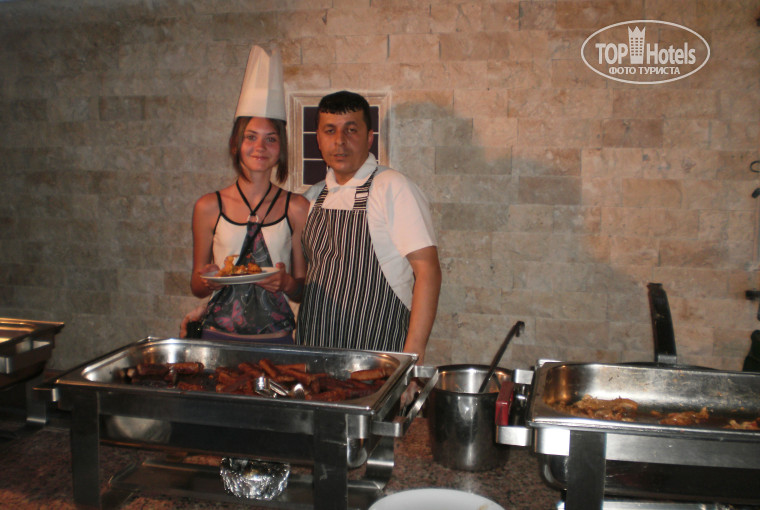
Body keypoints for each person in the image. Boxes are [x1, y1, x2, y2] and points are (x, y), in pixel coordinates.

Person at [296, 90, 441, 365]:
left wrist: (412, 357)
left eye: (351, 130)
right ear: (319, 139)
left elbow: (428, 271)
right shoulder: (312, 198)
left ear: (369, 138)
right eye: (330, 130)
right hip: (314, 353)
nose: (340, 141)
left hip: (377, 357)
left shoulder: (392, 187)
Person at [181, 46, 308, 341]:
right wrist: (209, 280)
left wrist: (286, 282)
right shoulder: (208, 206)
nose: (260, 147)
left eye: (270, 139)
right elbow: (196, 286)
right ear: (236, 143)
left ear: (281, 148)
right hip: (217, 335)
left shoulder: (297, 207)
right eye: (251, 137)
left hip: (276, 338)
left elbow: (301, 290)